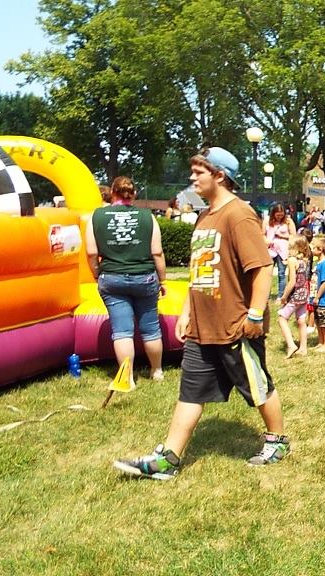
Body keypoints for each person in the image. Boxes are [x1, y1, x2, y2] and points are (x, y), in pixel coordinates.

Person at [114, 146, 288, 480]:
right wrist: (186, 312)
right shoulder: (204, 216)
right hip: (202, 326)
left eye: (199, 172)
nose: (191, 177)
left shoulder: (239, 215)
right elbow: (199, 273)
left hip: (235, 325)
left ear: (219, 176)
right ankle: (169, 459)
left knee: (257, 385)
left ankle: (277, 440)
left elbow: (262, 268)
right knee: (191, 391)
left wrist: (254, 314)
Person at [86, 175, 167, 386]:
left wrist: (96, 274)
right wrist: (163, 280)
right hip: (144, 277)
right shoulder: (148, 217)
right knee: (150, 328)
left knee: (122, 331)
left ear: (112, 193)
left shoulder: (96, 216)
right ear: (134, 194)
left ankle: (127, 378)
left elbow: (91, 252)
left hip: (112, 278)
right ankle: (157, 371)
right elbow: (157, 252)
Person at [276, 235, 311, 358]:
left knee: (282, 318)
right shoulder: (305, 260)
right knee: (301, 320)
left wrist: (284, 296)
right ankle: (303, 348)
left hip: (296, 295)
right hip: (304, 294)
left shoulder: (292, 260)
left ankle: (291, 345)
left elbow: (292, 281)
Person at [264, 204, 295, 298]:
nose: (279, 217)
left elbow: (293, 235)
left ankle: (280, 295)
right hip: (270, 250)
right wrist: (266, 241)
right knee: (267, 273)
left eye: (281, 215)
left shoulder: (288, 221)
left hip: (283, 251)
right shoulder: (267, 220)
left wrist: (282, 236)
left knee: (281, 273)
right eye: (277, 215)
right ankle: (266, 295)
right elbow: (262, 234)